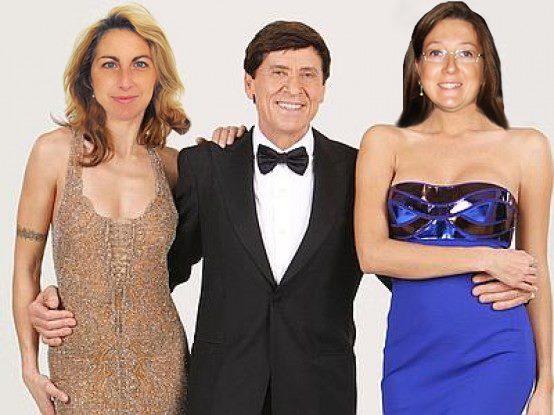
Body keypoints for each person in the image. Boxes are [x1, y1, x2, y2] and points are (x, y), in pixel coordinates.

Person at [28, 18, 536, 415]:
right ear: (249, 83)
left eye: (308, 74)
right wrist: (61, 296)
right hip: (223, 392)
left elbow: (400, 261)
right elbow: (159, 267)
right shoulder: (207, 165)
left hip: (320, 391)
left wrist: (497, 283)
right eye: (278, 72)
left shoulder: (357, 170)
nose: (293, 87)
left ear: (324, 88)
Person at [355, 2, 552, 414]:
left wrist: (547, 385)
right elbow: (372, 254)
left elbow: (536, 268)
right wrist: (485, 257)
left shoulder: (527, 147)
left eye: (465, 53)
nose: (450, 67)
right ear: (417, 67)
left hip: (497, 351)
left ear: (485, 66)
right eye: (435, 52)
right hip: (411, 357)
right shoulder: (383, 143)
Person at [12, 4, 193, 414]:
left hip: (164, 371)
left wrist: (230, 137)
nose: (125, 79)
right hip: (77, 374)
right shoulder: (52, 153)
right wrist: (29, 367)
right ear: (87, 77)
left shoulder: (174, 167)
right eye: (110, 64)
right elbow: (26, 266)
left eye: (140, 64)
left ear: (157, 76)